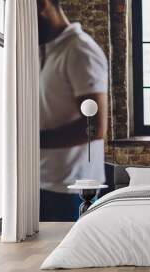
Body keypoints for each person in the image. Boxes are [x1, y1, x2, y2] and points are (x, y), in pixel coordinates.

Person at [37, 0, 108, 221]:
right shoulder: (43, 50)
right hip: (42, 182)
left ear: (41, 5)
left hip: (70, 190)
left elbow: (95, 127)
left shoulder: (80, 50)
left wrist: (31, 142)